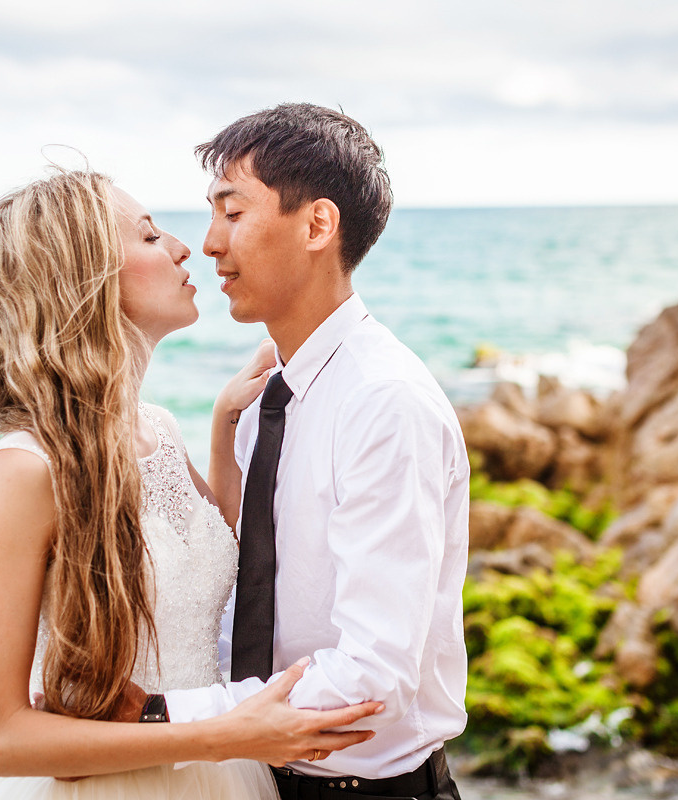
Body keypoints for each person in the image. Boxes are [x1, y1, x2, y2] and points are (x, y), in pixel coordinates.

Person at [0, 169, 383, 799]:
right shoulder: (27, 469)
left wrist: (224, 424)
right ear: (83, 280)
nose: (185, 247)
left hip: (225, 772)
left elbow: (213, 553)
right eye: (149, 237)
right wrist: (227, 734)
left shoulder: (158, 430)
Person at [158, 104, 471, 800]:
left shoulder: (384, 402)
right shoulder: (267, 398)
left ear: (317, 226)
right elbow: (246, 593)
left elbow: (371, 677)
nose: (209, 244)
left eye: (232, 214)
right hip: (250, 778)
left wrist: (162, 718)